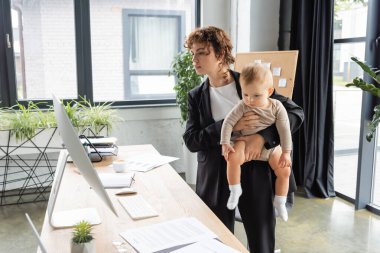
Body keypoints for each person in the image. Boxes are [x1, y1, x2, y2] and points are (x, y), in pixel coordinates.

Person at [183, 26, 304, 253]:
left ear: (220, 54)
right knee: (216, 242)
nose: (194, 59)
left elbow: (295, 113)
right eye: (192, 53)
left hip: (256, 171)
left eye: (201, 52)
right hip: (215, 177)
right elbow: (191, 140)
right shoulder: (196, 96)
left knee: (262, 240)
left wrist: (263, 137)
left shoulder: (250, 81)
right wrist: (227, 128)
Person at [220, 64, 292, 222]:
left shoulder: (277, 107)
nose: (250, 100)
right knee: (231, 158)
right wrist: (225, 143)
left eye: (256, 96)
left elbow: (284, 130)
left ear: (269, 92)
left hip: (270, 147)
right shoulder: (242, 105)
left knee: (285, 170)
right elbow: (228, 123)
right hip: (244, 142)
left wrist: (286, 152)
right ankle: (235, 190)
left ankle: (280, 201)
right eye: (245, 94)